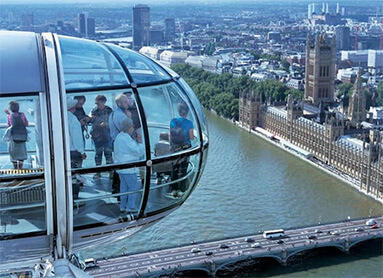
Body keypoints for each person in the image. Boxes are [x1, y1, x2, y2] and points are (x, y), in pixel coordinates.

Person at [114, 118, 144, 218]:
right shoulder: (126, 138)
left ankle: (123, 206)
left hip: (121, 167)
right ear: (129, 127)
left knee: (124, 187)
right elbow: (138, 152)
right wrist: (139, 142)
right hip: (129, 168)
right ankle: (130, 206)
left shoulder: (119, 137)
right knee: (132, 187)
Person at [168, 102, 194, 197]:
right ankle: (181, 190)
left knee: (174, 168)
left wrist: (171, 147)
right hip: (185, 148)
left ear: (178, 112)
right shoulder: (189, 123)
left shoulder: (173, 121)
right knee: (183, 168)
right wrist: (192, 136)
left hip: (175, 148)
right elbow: (191, 137)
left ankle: (173, 189)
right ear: (187, 112)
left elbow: (170, 135)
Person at [89, 95, 113, 178]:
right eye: (96, 103)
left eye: (98, 103)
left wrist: (106, 124)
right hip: (97, 136)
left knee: (108, 154)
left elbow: (112, 122)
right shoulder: (94, 110)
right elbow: (91, 120)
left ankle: (111, 172)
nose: (97, 105)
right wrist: (91, 118)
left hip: (106, 136)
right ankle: (98, 172)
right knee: (98, 154)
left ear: (103, 102)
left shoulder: (109, 110)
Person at [67, 97, 87, 199]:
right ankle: (74, 199)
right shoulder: (72, 119)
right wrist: (82, 152)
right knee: (74, 176)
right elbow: (77, 138)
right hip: (73, 152)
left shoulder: (59, 117)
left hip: (63, 151)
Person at [3, 101, 29, 169]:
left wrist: (8, 114)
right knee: (21, 154)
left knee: (14, 154)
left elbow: (9, 125)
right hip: (22, 137)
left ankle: (15, 169)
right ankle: (21, 168)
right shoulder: (22, 114)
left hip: (14, 138)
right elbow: (26, 123)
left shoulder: (10, 116)